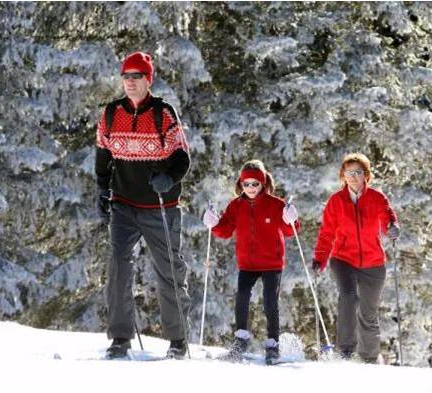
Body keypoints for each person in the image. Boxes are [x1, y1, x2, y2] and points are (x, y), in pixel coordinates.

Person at [95, 50, 191, 359]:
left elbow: (181, 157)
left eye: (136, 77)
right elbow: (103, 156)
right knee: (119, 267)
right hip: (123, 203)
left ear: (148, 80)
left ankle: (177, 340)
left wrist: (169, 179)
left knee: (169, 271)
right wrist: (101, 190)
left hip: (159, 206)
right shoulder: (111, 113)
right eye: (126, 77)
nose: (130, 82)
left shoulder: (163, 113)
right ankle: (120, 338)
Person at [202, 160, 300, 365]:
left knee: (270, 301)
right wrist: (213, 223)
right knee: (242, 297)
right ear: (241, 184)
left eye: (255, 184)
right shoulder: (236, 205)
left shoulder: (275, 204)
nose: (251, 188)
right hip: (247, 263)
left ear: (263, 183)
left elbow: (291, 231)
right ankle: (240, 341)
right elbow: (225, 230)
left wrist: (291, 218)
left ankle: (273, 345)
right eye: (247, 184)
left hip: (271, 263)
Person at [312, 153, 400, 364]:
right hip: (344, 259)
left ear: (366, 176)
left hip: (373, 263)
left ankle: (369, 358)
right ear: (343, 175)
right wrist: (319, 259)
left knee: (369, 313)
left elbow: (388, 218)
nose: (353, 177)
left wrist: (392, 228)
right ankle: (345, 352)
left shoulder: (377, 198)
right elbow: (326, 233)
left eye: (358, 172)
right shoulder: (336, 201)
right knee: (349, 297)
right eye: (348, 172)